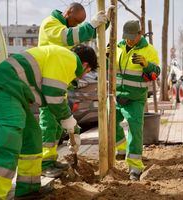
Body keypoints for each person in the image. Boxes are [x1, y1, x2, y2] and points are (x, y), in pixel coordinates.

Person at [0, 44, 98, 199]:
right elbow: (54, 95)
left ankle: (29, 187)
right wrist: (68, 121)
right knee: (12, 135)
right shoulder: (69, 59)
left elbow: (55, 97)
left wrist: (73, 128)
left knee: (33, 135)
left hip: (15, 92)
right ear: (85, 65)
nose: (82, 76)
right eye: (87, 72)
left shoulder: (62, 59)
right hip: (4, 86)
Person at [38, 2, 113, 178]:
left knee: (56, 127)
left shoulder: (67, 26)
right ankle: (44, 163)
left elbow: (83, 35)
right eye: (75, 21)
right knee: (48, 124)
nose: (76, 25)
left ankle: (50, 159)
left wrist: (105, 22)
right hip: (48, 83)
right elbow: (69, 37)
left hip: (59, 81)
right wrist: (91, 25)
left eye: (80, 23)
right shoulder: (50, 24)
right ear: (68, 12)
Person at [115, 20, 160, 180]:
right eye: (126, 37)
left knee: (135, 130)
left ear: (140, 34)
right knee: (109, 123)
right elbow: (110, 68)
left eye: (132, 37)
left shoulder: (149, 51)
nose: (129, 40)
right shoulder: (117, 47)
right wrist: (106, 56)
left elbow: (155, 74)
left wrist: (146, 65)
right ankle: (120, 149)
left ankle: (135, 167)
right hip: (116, 96)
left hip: (135, 99)